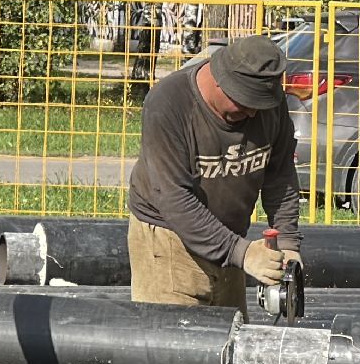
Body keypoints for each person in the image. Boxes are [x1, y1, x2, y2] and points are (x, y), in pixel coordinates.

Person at [127, 34, 301, 309]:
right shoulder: (169, 104)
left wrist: (288, 241)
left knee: (228, 341)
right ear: (221, 81)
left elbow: (280, 175)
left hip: (228, 239)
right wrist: (242, 253)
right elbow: (174, 198)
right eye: (245, 104)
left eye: (259, 105)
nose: (253, 115)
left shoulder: (268, 106)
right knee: (179, 346)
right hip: (169, 240)